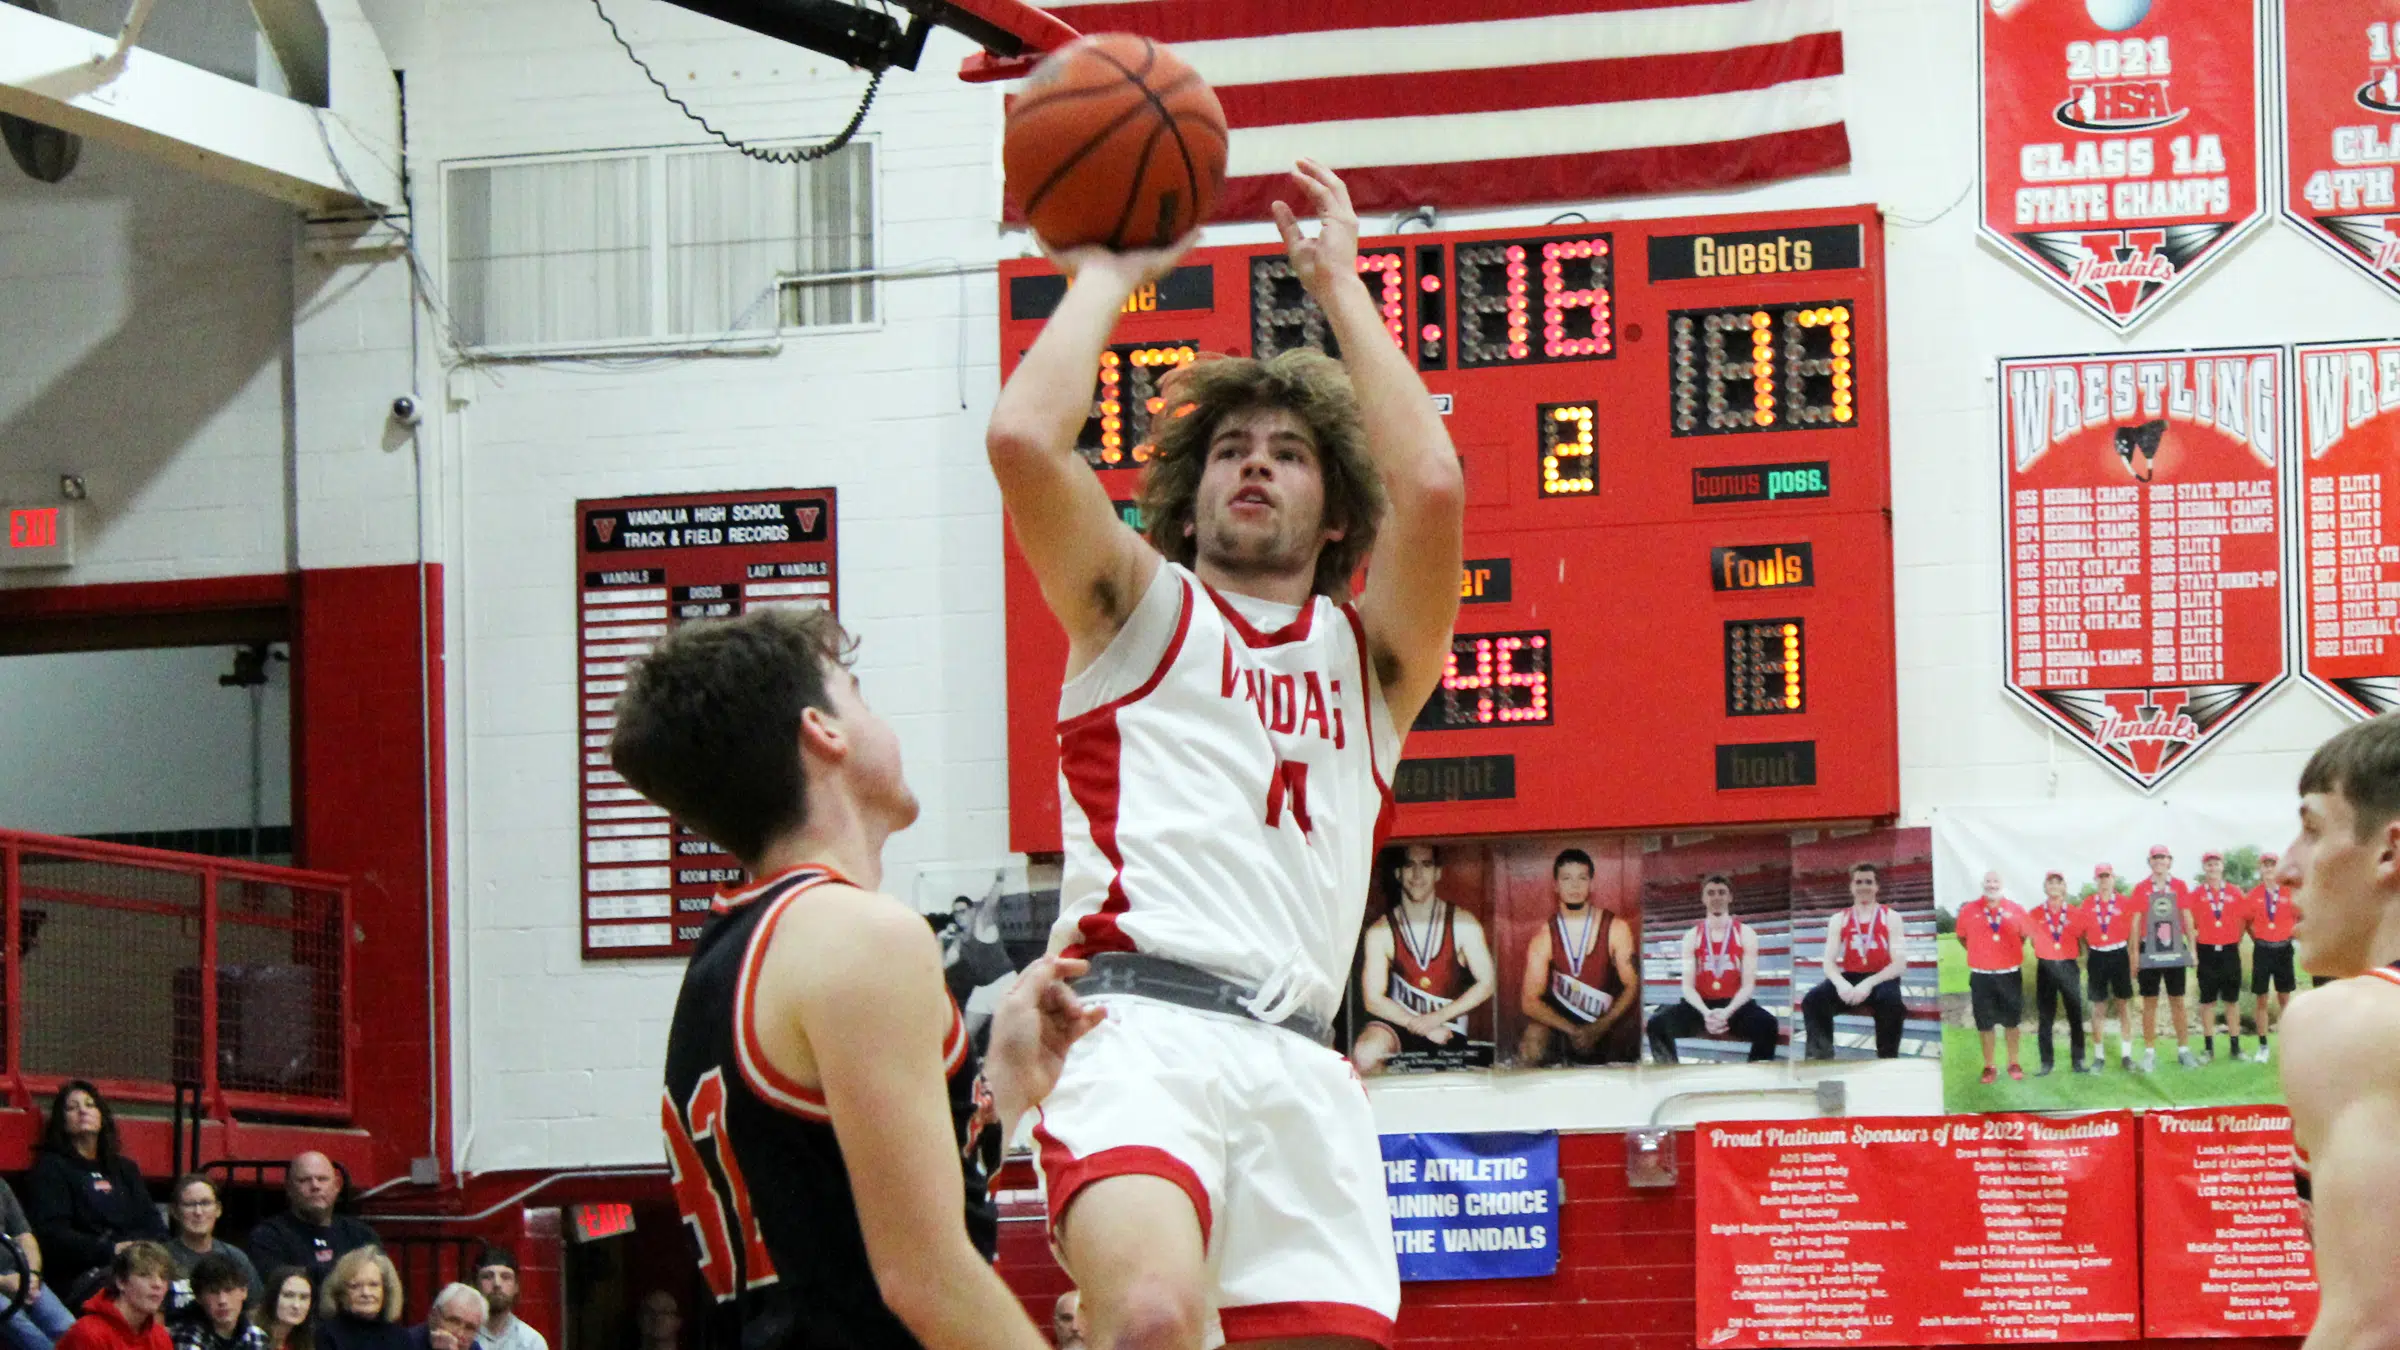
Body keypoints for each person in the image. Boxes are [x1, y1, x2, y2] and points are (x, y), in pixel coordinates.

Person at [989, 155, 1464, 1350]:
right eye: (1231, 450)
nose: (1256, 462)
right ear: (1188, 507)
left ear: (1337, 512)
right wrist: (1105, 270)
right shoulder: (1134, 608)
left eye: (1290, 453)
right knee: (1151, 1317)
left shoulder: (1376, 662)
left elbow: (1436, 482)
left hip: (1304, 1065)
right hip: (1139, 1023)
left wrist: (1341, 284)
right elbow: (1024, 442)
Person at [611, 607, 1100, 1350]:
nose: (880, 716)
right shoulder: (859, 935)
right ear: (824, 731)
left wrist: (1001, 1084)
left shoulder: (732, 954)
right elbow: (927, 1280)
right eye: (859, 694)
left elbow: (841, 1222)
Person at [2268, 715, 2400, 1350]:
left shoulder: (2356, 1019)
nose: (2285, 869)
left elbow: (2370, 1328)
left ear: (2389, 853)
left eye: (2312, 830)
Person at [1351, 844, 1497, 1075]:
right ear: (1398, 873)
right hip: (1399, 1024)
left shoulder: (1462, 923)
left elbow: (1488, 983)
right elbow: (1372, 999)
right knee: (1366, 1054)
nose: (1417, 874)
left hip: (1447, 1026)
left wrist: (1437, 1018)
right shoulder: (1381, 931)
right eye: (1410, 865)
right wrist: (1416, 1024)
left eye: (1426, 865)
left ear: (1438, 873)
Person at [26, 1081, 169, 1296]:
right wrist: (110, 1249)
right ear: (62, 1122)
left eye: (90, 1105)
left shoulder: (124, 1168)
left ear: (102, 1116)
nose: (83, 1111)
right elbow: (53, 1235)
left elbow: (154, 1225)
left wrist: (134, 1248)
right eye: (72, 1108)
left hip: (138, 1266)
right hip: (81, 1274)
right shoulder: (52, 1168)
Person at [1517, 849, 1640, 1067]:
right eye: (1567, 878)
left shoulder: (1616, 928)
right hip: (1561, 1027)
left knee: (1631, 1037)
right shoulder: (1544, 937)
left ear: (1591, 884)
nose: (1575, 886)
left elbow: (1631, 985)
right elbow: (1529, 1001)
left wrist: (1601, 1026)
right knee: (1532, 1040)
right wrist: (1573, 1031)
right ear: (1555, 886)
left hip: (1606, 1024)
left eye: (1582, 878)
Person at [1645, 874, 1780, 1063]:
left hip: (1735, 1007)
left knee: (1768, 1024)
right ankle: (1669, 1075)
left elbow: (1748, 986)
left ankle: (1754, 1079)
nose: (1716, 898)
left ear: (1730, 897)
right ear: (1703, 898)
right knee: (1657, 1024)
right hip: (1699, 1007)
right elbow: (1688, 986)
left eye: (1721, 892)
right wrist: (1706, 1013)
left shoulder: (1746, 934)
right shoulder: (1692, 936)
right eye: (1711, 893)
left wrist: (1726, 1012)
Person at [1801, 863, 1911, 1059]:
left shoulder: (1892, 917)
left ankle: (1887, 1059)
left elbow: (1899, 964)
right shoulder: (1838, 919)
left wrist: (1868, 983)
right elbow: (1828, 962)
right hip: (1851, 976)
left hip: (1882, 977)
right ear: (1851, 887)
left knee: (1892, 1003)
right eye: (1858, 882)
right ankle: (1820, 1058)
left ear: (1877, 887)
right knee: (1813, 1000)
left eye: (1869, 882)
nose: (1863, 886)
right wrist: (1842, 984)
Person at [242, 1157, 375, 1289]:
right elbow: (278, 1287)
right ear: (289, 1188)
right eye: (304, 1180)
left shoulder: (361, 1235)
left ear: (337, 1186)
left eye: (322, 1179)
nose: (315, 1186)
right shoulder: (267, 1237)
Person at [1956, 871, 2029, 1083]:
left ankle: (2013, 1063)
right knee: (1985, 1024)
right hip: (1982, 976)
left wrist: (2006, 955)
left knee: (2012, 1022)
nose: (1992, 885)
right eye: (1988, 881)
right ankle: (1989, 1066)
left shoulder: (2015, 909)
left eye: (1996, 881)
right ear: (1982, 884)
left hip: (2009, 975)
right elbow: (1962, 938)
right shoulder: (1969, 910)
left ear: (2002, 884)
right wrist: (1982, 955)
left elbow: (2023, 936)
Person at [2132, 844, 2198, 1071]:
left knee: (2177, 1002)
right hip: (2149, 951)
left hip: (2174, 949)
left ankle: (2184, 1050)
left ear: (2170, 861)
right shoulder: (2141, 888)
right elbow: (2135, 923)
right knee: (2149, 1003)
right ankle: (2149, 1052)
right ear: (2150, 862)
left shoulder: (2179, 886)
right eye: (2155, 858)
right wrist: (2133, 955)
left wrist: (2193, 949)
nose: (2159, 861)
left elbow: (2187, 917)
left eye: (2163, 857)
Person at [0, 1172, 76, 1350]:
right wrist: (4, 1283)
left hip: (17, 1273)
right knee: (21, 1326)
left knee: (69, 1327)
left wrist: (32, 1275)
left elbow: (24, 1235)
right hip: (6, 1280)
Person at [2024, 872, 2089, 1076]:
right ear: (2045, 887)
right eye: (2050, 882)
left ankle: (2078, 1061)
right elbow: (2033, 939)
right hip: (2046, 967)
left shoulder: (2074, 912)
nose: (2054, 886)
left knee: (2075, 1016)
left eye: (2058, 882)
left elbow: (2083, 939)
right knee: (2046, 1017)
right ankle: (2046, 1063)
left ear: (2064, 887)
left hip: (2068, 966)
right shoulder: (2035, 913)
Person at [2188, 850, 2251, 1061]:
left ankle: (2235, 1048)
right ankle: (2208, 1049)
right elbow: (2190, 923)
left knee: (2231, 1001)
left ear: (2222, 867)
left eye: (2216, 864)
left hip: (2229, 951)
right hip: (2206, 951)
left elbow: (2244, 920)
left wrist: (2234, 938)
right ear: (2204, 868)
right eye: (2208, 865)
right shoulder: (2196, 894)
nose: (2212, 868)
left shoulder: (2235, 892)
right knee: (2207, 1002)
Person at [163, 1179, 261, 1310]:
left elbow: (255, 1308)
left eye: (205, 1203)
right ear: (175, 1212)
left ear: (218, 1209)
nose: (198, 1212)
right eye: (189, 1204)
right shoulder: (161, 1258)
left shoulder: (236, 1258)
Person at [55, 1244, 172, 1350]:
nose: (158, 1284)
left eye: (163, 1277)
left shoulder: (160, 1336)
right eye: (145, 1275)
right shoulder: (88, 1334)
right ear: (121, 1282)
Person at [2081, 863, 2139, 1072]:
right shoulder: (2087, 903)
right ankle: (2098, 1057)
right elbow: (2082, 935)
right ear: (2096, 880)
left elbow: (2133, 934)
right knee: (2098, 1008)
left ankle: (2126, 1055)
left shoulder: (2124, 902)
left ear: (2113, 878)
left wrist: (2133, 958)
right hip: (2097, 955)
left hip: (2119, 954)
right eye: (2100, 877)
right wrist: (2091, 954)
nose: (2104, 880)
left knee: (2123, 1006)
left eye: (2107, 876)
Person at [2247, 849, 2299, 1062]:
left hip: (2284, 949)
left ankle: (2289, 1045)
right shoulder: (2254, 895)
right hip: (2263, 950)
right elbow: (2247, 923)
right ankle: (2262, 1046)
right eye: (2265, 865)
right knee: (2261, 999)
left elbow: (2299, 917)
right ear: (2260, 869)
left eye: (2272, 865)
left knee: (2285, 999)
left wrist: (2287, 935)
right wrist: (2259, 939)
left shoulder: (2289, 893)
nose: (2269, 869)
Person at [310, 1250, 405, 1350]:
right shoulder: (327, 1336)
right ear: (341, 1292)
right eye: (355, 1286)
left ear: (386, 1290)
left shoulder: (400, 1337)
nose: (366, 1293)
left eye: (373, 1285)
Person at [172, 1255, 262, 1350]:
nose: (222, 1301)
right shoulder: (187, 1336)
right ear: (199, 1298)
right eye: (213, 1292)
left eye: (229, 1290)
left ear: (244, 1291)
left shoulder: (256, 1336)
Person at [468, 1253, 541, 1350]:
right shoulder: (462, 1336)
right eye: (488, 1277)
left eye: (505, 1277)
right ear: (475, 1285)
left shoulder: (531, 1342)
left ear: (516, 1286)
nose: (497, 1284)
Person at [408, 1287, 484, 1350]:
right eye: (454, 1322)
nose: (460, 1334)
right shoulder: (405, 1342)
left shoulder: (474, 1347)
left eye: (469, 1328)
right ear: (433, 1316)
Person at [248, 1272, 310, 1350]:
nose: (296, 1305)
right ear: (273, 1298)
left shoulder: (304, 1340)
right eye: (288, 1296)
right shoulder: (252, 1335)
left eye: (304, 1297)